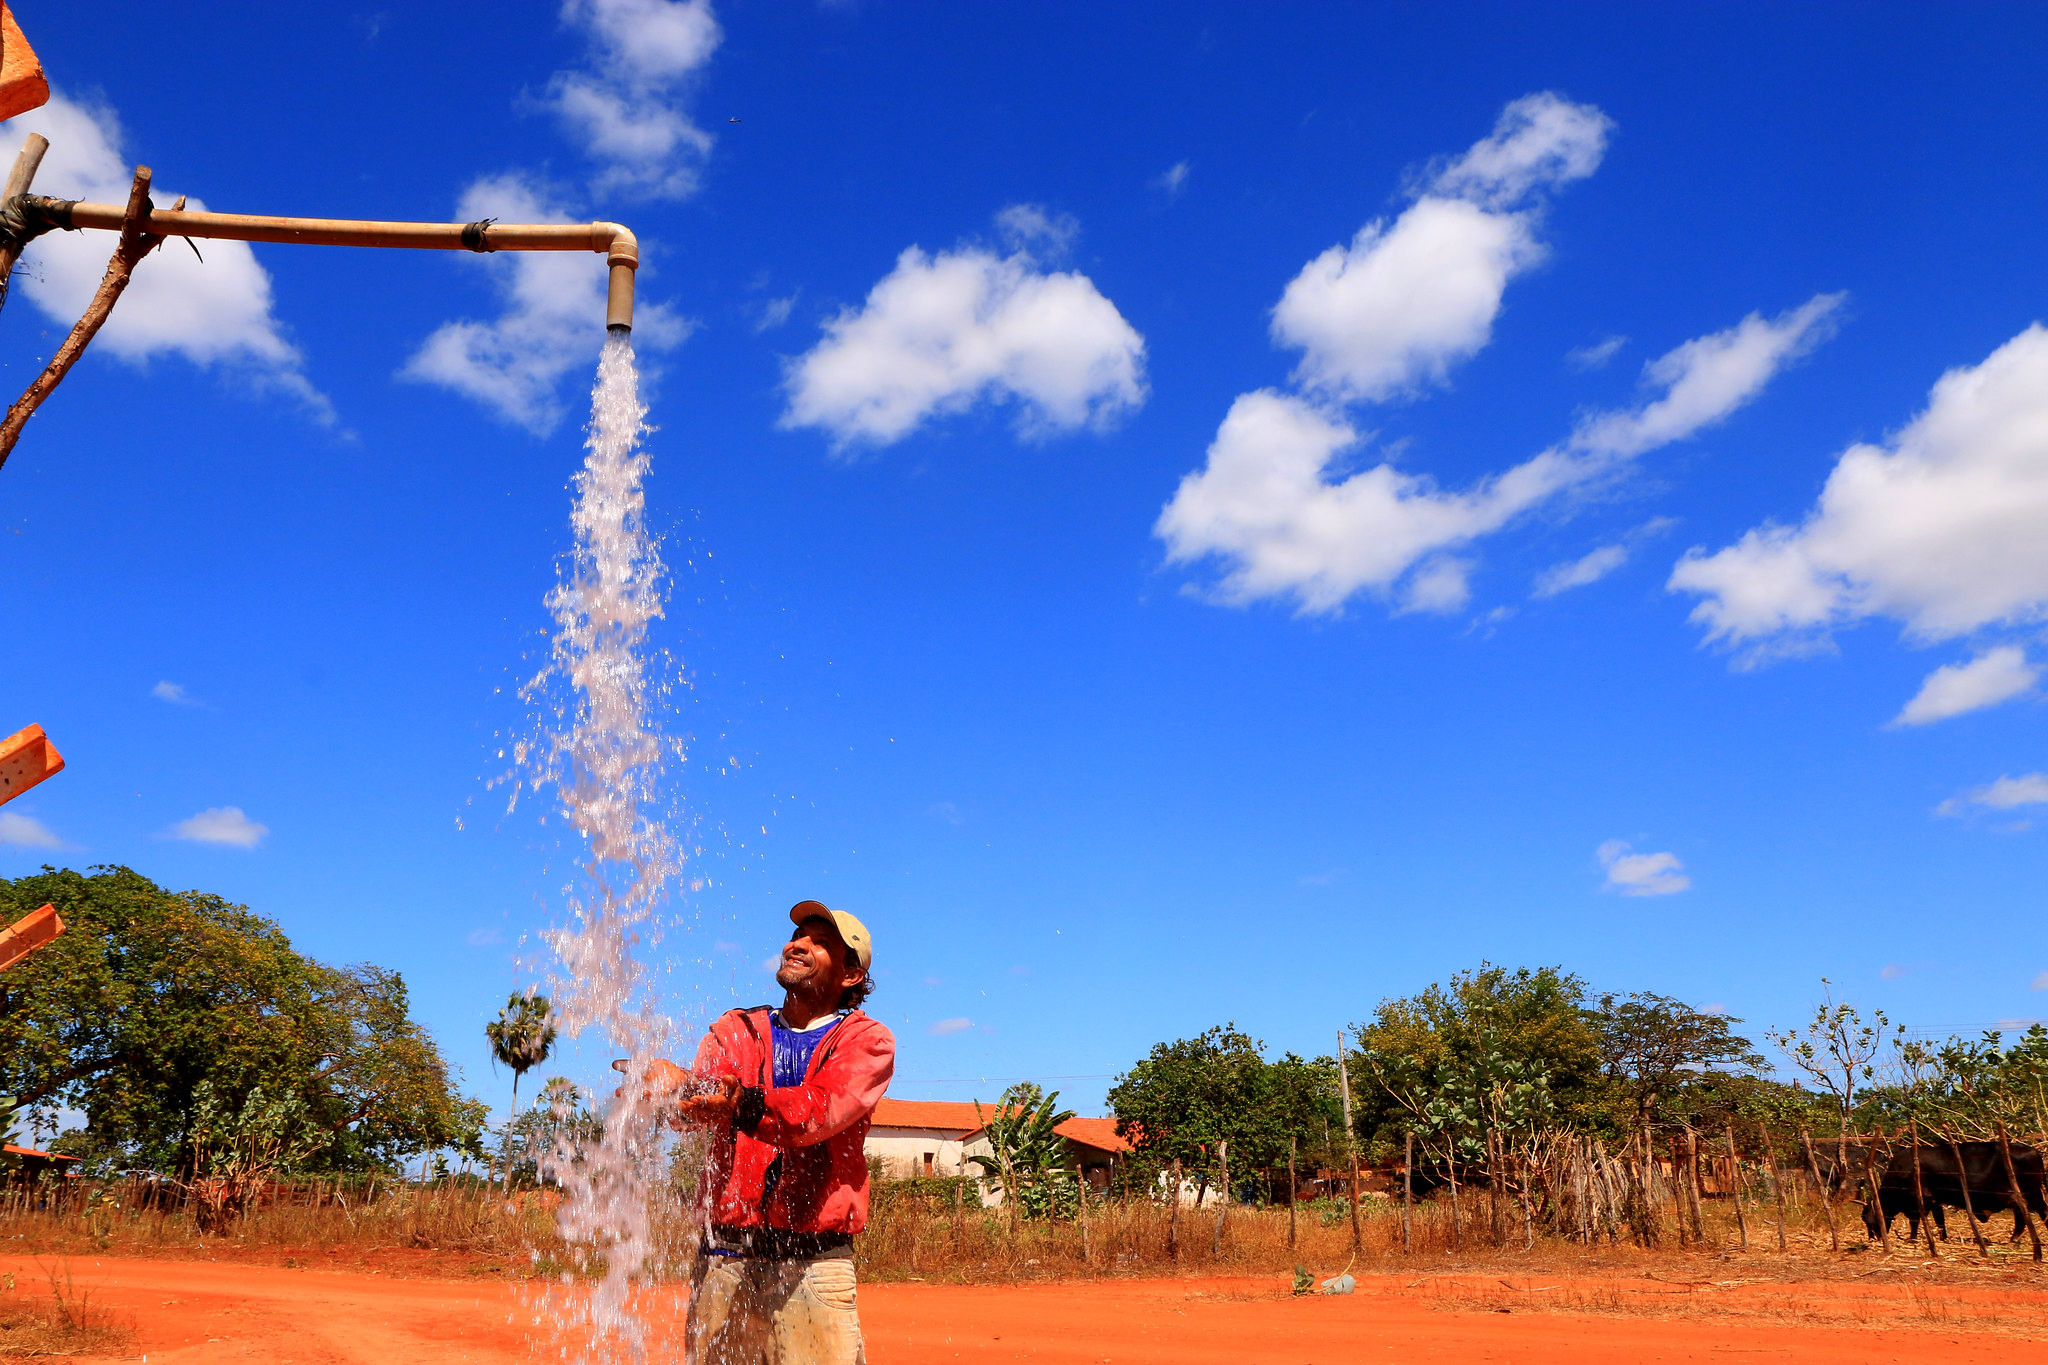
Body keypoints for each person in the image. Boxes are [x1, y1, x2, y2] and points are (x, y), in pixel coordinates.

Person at [635, 900, 894, 1365]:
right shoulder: (736, 1028)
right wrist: (673, 1091)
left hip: (812, 1263)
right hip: (724, 1256)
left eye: (821, 942)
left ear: (851, 975)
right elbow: (702, 1104)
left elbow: (818, 1112)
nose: (799, 945)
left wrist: (741, 1103)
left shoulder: (867, 1041)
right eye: (798, 936)